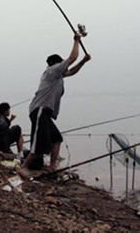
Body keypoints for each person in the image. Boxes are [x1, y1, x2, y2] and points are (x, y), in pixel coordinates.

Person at [20, 33, 91, 175]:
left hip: (46, 113)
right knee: (38, 143)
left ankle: (52, 167)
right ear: (56, 64)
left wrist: (84, 61)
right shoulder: (52, 71)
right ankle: (23, 168)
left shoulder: (58, 76)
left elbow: (72, 71)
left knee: (57, 139)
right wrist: (76, 41)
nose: (64, 68)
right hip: (39, 110)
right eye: (62, 65)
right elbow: (72, 58)